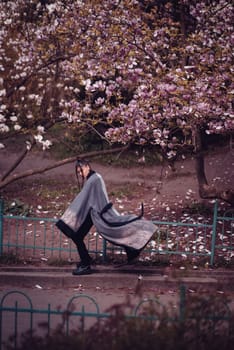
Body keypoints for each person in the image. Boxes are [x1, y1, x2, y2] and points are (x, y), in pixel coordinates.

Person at [56, 159, 156, 275]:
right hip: (93, 213)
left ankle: (86, 264)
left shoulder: (94, 180)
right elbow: (86, 198)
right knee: (78, 237)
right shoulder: (95, 178)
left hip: (97, 214)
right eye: (78, 172)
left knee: (79, 236)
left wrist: (66, 219)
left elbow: (82, 199)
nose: (80, 174)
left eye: (81, 171)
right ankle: (86, 261)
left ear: (87, 166)